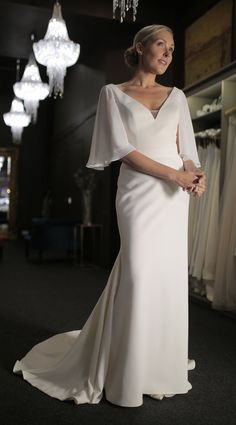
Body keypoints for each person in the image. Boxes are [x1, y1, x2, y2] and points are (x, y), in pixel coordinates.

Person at [13, 24, 206, 408]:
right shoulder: (112, 94)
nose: (168, 53)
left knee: (166, 275)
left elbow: (189, 151)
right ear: (140, 48)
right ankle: (126, 370)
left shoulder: (178, 96)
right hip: (138, 192)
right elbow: (121, 149)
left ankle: (158, 363)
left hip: (174, 197)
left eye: (171, 47)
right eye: (160, 45)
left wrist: (196, 178)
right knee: (136, 271)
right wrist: (175, 175)